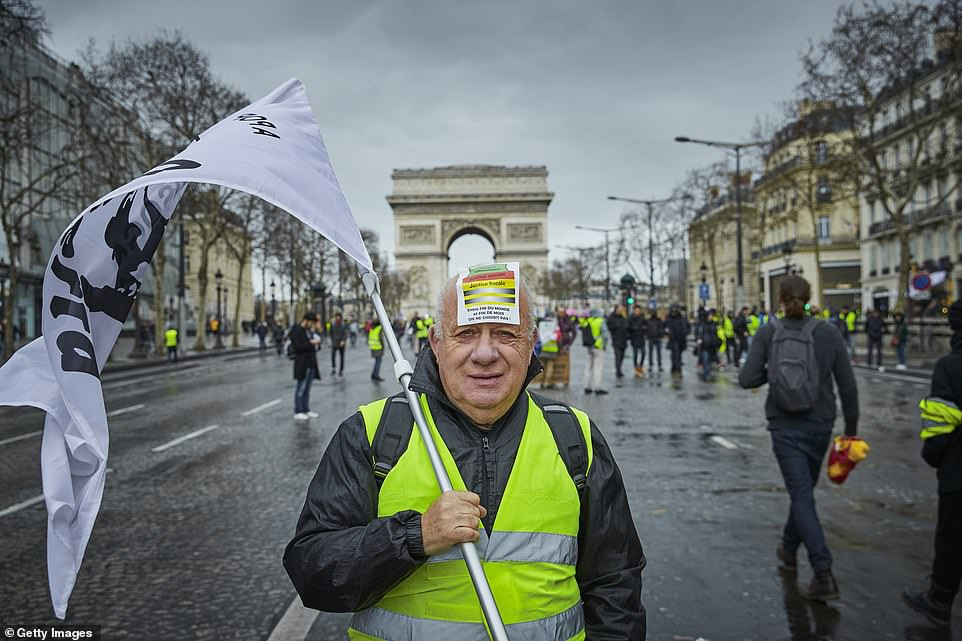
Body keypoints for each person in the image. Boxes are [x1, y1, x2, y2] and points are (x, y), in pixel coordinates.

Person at [283, 271, 646, 639]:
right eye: (466, 334)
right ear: (436, 344)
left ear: (532, 343)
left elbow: (616, 586)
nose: (485, 353)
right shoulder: (371, 432)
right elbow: (313, 573)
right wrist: (412, 536)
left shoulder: (576, 437)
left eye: (506, 334)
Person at [738, 275, 859, 602]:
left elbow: (746, 378)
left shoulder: (768, 332)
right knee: (803, 491)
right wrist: (851, 432)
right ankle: (789, 549)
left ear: (779, 300)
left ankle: (823, 572)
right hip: (820, 423)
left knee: (801, 494)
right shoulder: (828, 332)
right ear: (809, 298)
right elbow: (847, 386)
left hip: (784, 425)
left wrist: (773, 373)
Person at [903, 299, 962, 626]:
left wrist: (933, 456)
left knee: (952, 541)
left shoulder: (950, 367)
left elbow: (939, 428)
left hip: (958, 473)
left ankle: (939, 601)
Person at [291, 312, 321, 421]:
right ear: (306, 320)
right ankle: (298, 410)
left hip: (310, 363)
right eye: (311, 323)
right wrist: (311, 343)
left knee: (307, 389)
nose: (312, 325)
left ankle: (306, 409)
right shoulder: (296, 329)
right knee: (300, 389)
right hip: (302, 364)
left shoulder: (307, 330)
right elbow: (297, 347)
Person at [581, 308, 609, 394]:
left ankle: (587, 386)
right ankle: (597, 387)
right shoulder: (600, 320)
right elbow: (605, 335)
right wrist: (604, 345)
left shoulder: (588, 320)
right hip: (598, 346)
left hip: (589, 346)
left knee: (588, 367)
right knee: (598, 368)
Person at [607, 304, 630, 380]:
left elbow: (627, 326)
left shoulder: (624, 317)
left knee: (622, 356)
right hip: (616, 339)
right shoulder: (612, 317)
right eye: (620, 309)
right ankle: (618, 371)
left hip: (624, 339)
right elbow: (610, 327)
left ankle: (619, 368)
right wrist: (616, 327)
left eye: (622, 309)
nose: (621, 311)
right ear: (616, 309)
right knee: (618, 356)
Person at [666, 305, 689, 378]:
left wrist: (685, 332)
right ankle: (677, 369)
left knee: (678, 355)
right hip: (673, 339)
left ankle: (675, 368)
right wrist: (667, 332)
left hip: (681, 339)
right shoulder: (669, 318)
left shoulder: (682, 319)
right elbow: (664, 326)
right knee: (675, 355)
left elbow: (687, 327)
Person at [629, 304, 647, 378]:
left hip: (641, 337)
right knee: (635, 354)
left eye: (639, 310)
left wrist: (645, 328)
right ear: (634, 310)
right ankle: (636, 368)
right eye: (636, 310)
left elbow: (646, 325)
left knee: (643, 353)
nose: (638, 311)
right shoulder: (631, 318)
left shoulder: (642, 317)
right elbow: (628, 327)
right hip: (634, 338)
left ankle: (640, 366)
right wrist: (633, 328)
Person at [368, 317, 385, 382]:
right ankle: (376, 375)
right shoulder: (379, 329)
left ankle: (373, 374)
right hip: (378, 347)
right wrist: (383, 347)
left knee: (376, 362)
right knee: (378, 362)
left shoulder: (372, 328)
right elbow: (381, 339)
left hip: (373, 347)